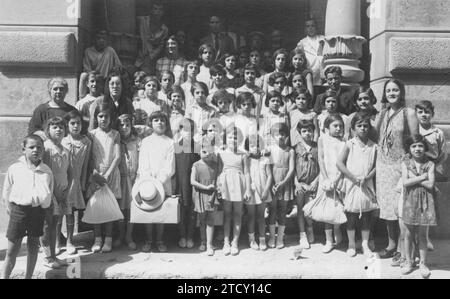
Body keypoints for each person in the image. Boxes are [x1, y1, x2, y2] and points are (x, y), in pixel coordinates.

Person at [375, 78, 419, 260]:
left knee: (400, 209)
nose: (391, 93)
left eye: (395, 90)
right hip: (383, 165)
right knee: (387, 208)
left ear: (401, 93)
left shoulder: (408, 113)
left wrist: (410, 167)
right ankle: (391, 244)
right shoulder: (382, 113)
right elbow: (376, 137)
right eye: (388, 91)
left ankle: (404, 248)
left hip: (400, 166)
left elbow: (415, 141)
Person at [1, 135, 53, 279]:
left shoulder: (46, 171)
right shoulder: (15, 168)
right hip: (19, 211)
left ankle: (28, 277)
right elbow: (6, 191)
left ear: (43, 150)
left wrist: (44, 206)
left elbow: (49, 191)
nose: (35, 150)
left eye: (39, 148)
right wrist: (10, 209)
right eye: (31, 147)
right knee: (12, 250)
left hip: (37, 211)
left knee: (33, 246)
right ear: (23, 149)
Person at [337, 112, 378, 257]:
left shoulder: (374, 146)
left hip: (366, 185)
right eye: (359, 125)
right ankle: (352, 244)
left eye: (365, 126)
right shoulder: (350, 144)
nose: (362, 128)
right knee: (352, 216)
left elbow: (376, 165)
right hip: (352, 184)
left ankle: (365, 244)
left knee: (366, 215)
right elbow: (339, 163)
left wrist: (368, 177)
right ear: (354, 128)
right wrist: (353, 178)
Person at [84, 102, 123, 253]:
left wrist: (107, 174)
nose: (103, 119)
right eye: (100, 116)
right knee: (97, 207)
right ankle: (97, 239)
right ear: (96, 117)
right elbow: (90, 157)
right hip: (96, 174)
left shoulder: (115, 134)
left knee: (109, 207)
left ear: (111, 118)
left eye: (106, 116)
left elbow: (118, 157)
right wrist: (96, 174)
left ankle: (108, 239)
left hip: (111, 174)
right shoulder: (92, 134)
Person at [137, 111, 175, 252]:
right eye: (156, 120)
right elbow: (143, 164)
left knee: (160, 212)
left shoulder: (170, 142)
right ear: (151, 123)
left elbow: (170, 166)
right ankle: (148, 239)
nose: (159, 123)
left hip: (163, 183)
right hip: (148, 183)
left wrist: (160, 180)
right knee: (149, 210)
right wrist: (148, 179)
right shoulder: (146, 142)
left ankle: (159, 240)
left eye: (162, 120)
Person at [400, 134, 436, 278]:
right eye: (414, 146)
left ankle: (422, 263)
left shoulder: (430, 164)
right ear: (409, 149)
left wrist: (413, 179)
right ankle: (409, 262)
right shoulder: (405, 163)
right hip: (409, 201)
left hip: (426, 203)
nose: (417, 149)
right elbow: (405, 182)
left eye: (420, 146)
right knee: (408, 234)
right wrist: (422, 177)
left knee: (422, 235)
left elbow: (431, 185)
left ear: (425, 147)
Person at [416, 100, 446, 251]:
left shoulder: (438, 133)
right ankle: (415, 240)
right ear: (416, 114)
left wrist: (433, 167)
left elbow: (442, 153)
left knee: (426, 207)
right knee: (414, 204)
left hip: (430, 171)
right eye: (420, 112)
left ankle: (425, 238)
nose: (424, 115)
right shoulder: (414, 130)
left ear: (432, 114)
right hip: (414, 171)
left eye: (427, 112)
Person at [61, 110, 92, 255]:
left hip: (76, 180)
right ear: (67, 125)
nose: (75, 126)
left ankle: (70, 241)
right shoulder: (62, 140)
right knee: (59, 212)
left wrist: (83, 182)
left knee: (71, 212)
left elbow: (86, 165)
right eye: (72, 123)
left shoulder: (86, 142)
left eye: (78, 123)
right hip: (62, 180)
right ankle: (56, 241)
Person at [217, 126, 251, 256]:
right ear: (225, 139)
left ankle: (235, 242)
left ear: (240, 139)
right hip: (225, 184)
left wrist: (248, 189)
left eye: (235, 137)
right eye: (230, 137)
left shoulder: (243, 154)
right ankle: (226, 241)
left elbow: (247, 173)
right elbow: (219, 171)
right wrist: (218, 186)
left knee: (238, 213)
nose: (232, 139)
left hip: (239, 184)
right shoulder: (221, 153)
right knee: (227, 214)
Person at [41, 117, 70, 267]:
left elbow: (68, 172)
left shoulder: (65, 149)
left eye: (61, 127)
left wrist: (66, 190)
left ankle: (54, 255)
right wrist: (53, 192)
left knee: (55, 225)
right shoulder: (46, 148)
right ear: (48, 130)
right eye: (54, 127)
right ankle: (47, 257)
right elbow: (44, 172)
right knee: (47, 225)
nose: (58, 130)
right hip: (49, 193)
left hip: (62, 193)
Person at [316, 114, 346, 253]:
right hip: (326, 177)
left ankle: (337, 232)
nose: (338, 128)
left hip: (340, 178)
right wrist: (326, 178)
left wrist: (338, 179)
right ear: (327, 127)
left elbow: (344, 163)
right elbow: (321, 159)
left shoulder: (345, 142)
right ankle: (328, 240)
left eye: (341, 126)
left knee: (338, 207)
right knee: (327, 210)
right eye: (335, 126)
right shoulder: (322, 139)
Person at [267, 123, 295, 249]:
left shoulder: (290, 151)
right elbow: (267, 168)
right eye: (277, 135)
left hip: (285, 183)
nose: (280, 137)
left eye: (282, 134)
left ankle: (280, 238)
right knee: (272, 210)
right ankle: (272, 237)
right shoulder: (270, 150)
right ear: (272, 136)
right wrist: (272, 184)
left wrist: (283, 183)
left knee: (282, 211)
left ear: (287, 136)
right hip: (272, 183)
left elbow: (291, 169)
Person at [174, 118, 200, 249]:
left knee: (192, 211)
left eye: (191, 129)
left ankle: (190, 236)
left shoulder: (197, 147)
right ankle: (182, 236)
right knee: (181, 210)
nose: (188, 132)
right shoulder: (176, 147)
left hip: (193, 184)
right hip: (180, 183)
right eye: (185, 129)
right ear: (180, 130)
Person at [116, 114, 141, 250]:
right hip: (120, 178)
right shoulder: (116, 141)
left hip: (133, 178)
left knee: (131, 209)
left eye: (127, 124)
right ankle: (120, 235)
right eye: (121, 125)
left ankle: (129, 235)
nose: (124, 127)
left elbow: (141, 159)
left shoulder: (137, 141)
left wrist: (139, 177)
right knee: (121, 209)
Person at [294, 120, 319, 249]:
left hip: (313, 183)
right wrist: (296, 183)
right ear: (299, 132)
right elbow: (291, 168)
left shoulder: (317, 147)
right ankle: (302, 234)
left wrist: (316, 181)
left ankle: (310, 229)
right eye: (304, 131)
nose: (307, 133)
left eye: (310, 130)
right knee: (300, 208)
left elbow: (322, 167)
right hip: (300, 183)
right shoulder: (296, 148)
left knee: (309, 210)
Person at [191, 140, 220, 256]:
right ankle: (203, 241)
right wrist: (205, 187)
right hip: (200, 194)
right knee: (202, 220)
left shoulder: (214, 165)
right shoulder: (196, 165)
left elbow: (218, 178)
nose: (207, 154)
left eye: (209, 152)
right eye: (204, 151)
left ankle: (209, 244)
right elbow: (192, 181)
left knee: (210, 221)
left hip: (212, 195)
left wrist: (215, 188)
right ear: (199, 152)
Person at [245, 134, 273, 251]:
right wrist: (248, 188)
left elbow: (270, 176)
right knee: (251, 216)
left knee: (261, 216)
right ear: (247, 147)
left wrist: (266, 190)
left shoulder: (265, 159)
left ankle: (262, 239)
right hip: (251, 191)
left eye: (257, 145)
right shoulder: (247, 159)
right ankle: (252, 239)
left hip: (263, 191)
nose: (255, 148)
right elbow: (245, 174)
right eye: (251, 146)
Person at [79, 30, 122, 99]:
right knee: (83, 75)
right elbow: (87, 69)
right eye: (99, 38)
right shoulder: (88, 51)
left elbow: (118, 67)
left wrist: (112, 73)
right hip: (94, 79)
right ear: (94, 39)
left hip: (106, 80)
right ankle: (82, 100)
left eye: (104, 38)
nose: (101, 40)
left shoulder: (110, 51)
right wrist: (95, 77)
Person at [135, 1, 168, 74]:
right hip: (137, 56)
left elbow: (161, 46)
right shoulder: (142, 20)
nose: (157, 12)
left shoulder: (164, 29)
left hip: (151, 60)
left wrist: (151, 56)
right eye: (155, 9)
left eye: (160, 10)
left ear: (163, 12)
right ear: (151, 10)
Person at [296, 18, 324, 93]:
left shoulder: (322, 39)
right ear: (305, 29)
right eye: (308, 26)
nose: (310, 28)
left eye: (312, 26)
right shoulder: (302, 43)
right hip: (310, 73)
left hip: (321, 72)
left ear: (316, 28)